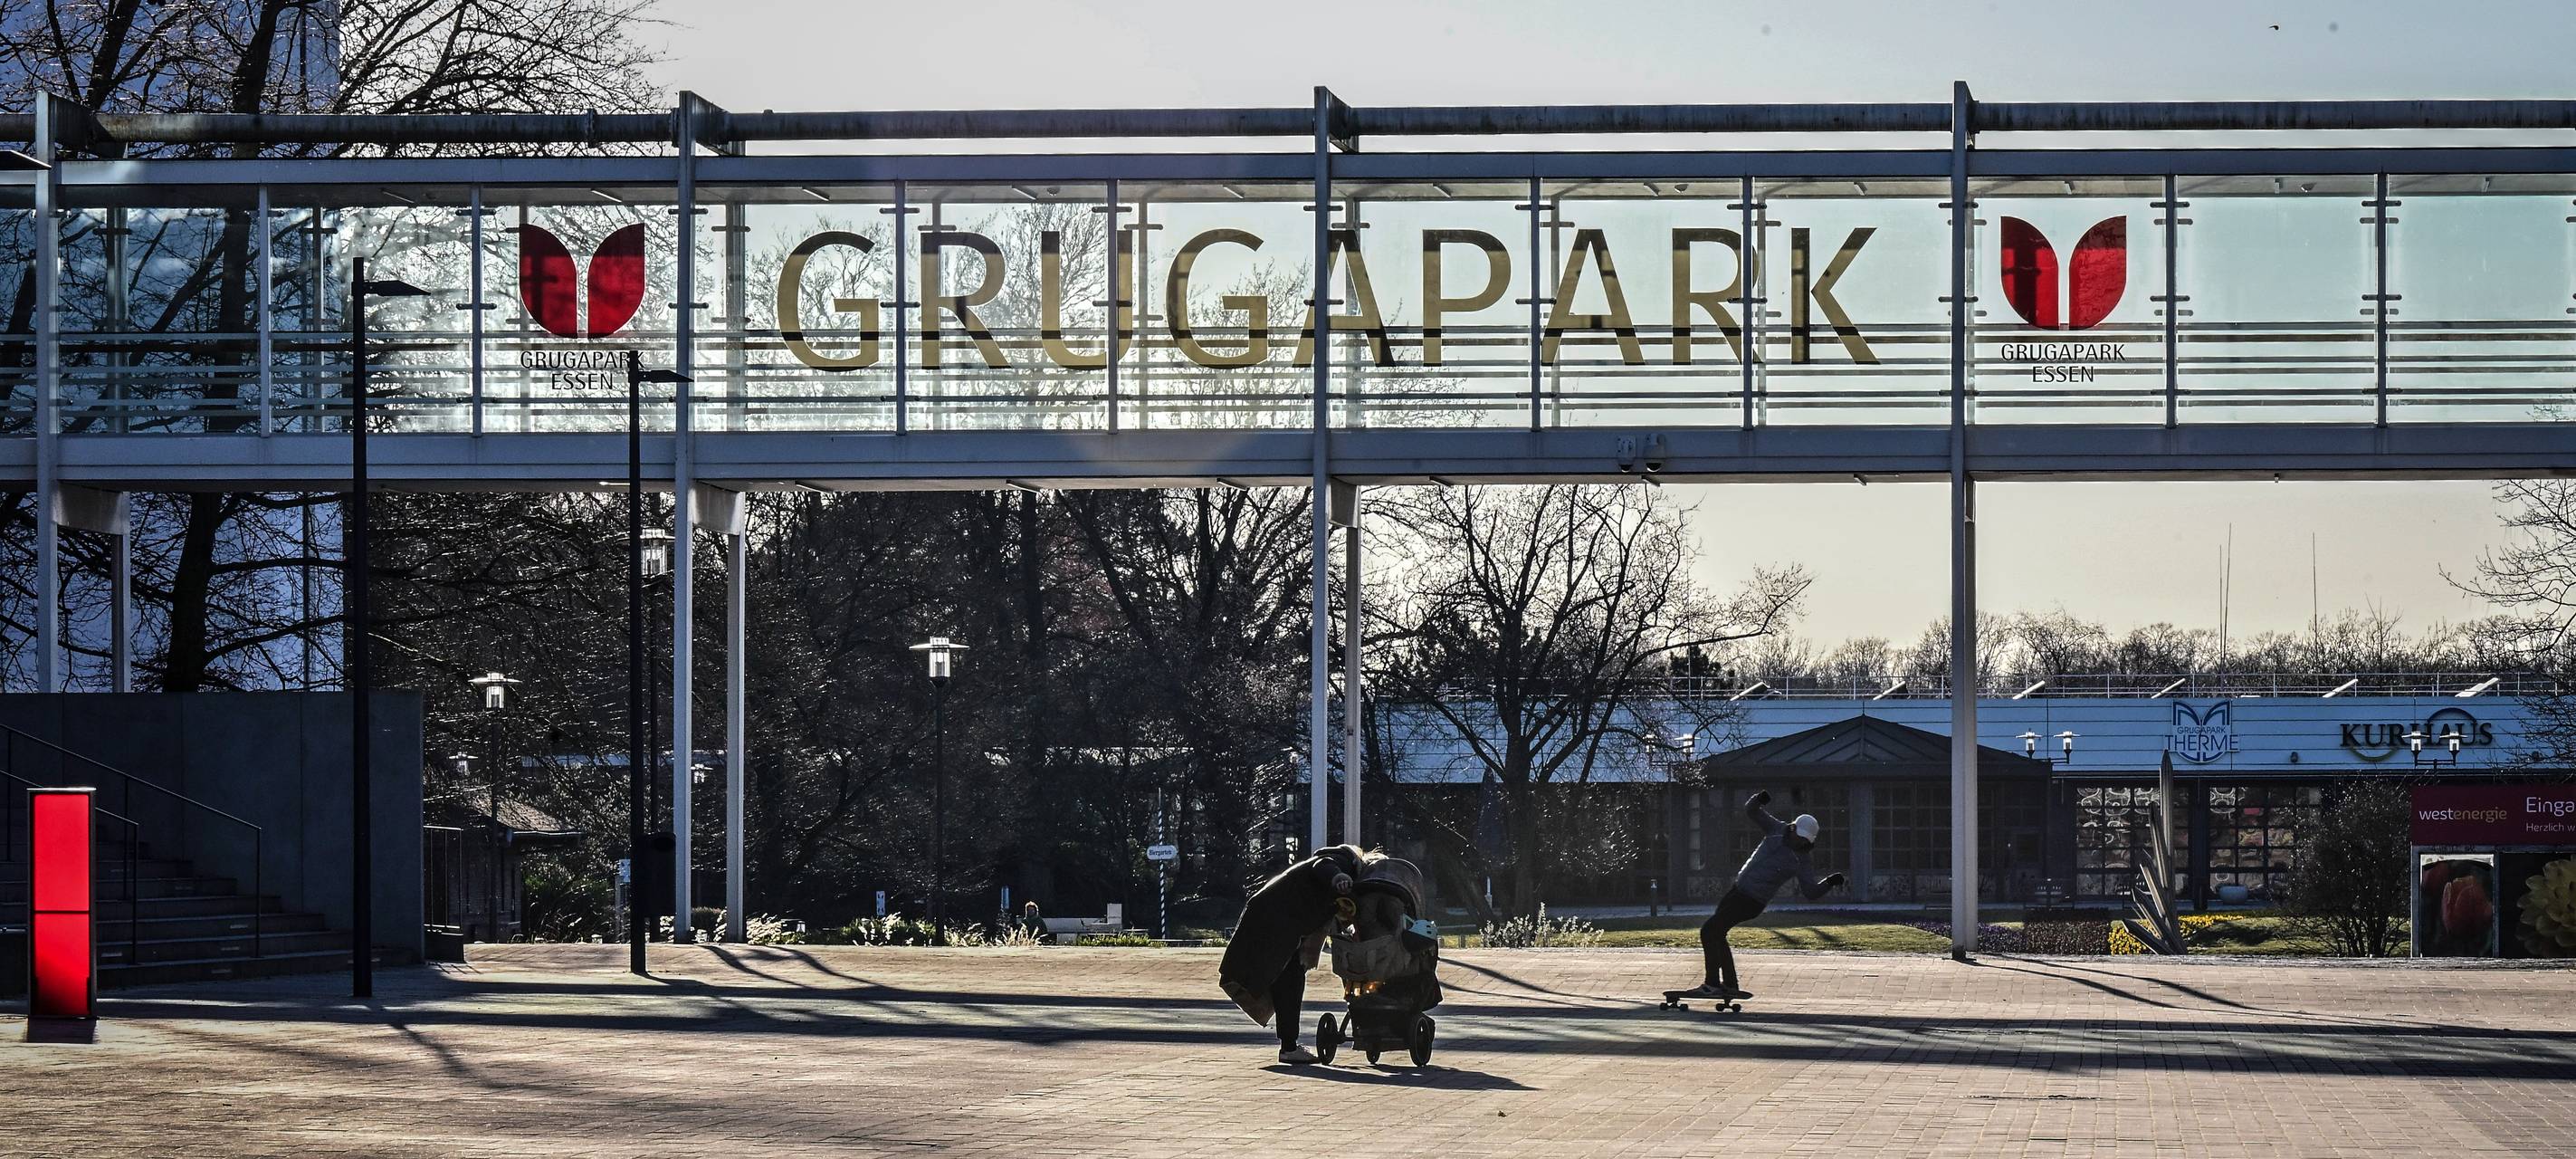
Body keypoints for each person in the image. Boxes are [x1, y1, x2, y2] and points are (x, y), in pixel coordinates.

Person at [1673, 790, 1846, 1001]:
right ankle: (1729, 984)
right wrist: (1759, 799)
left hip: (1753, 900)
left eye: (1804, 841)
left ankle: (1712, 984)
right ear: (1792, 828)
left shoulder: (1802, 860)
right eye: (1797, 836)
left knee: (1708, 930)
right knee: (1717, 933)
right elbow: (1751, 811)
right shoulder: (1776, 828)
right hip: (1737, 890)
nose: (1799, 842)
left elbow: (1810, 892)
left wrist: (1829, 882)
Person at [1218, 844, 1365, 1065]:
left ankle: (1288, 1046)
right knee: (1290, 980)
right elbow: (1324, 866)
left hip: (1273, 919)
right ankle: (1288, 1047)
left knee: (1285, 979)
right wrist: (1339, 877)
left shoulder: (1321, 876)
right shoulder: (1339, 862)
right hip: (1276, 923)